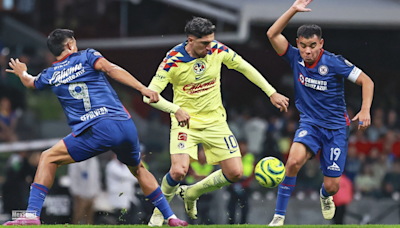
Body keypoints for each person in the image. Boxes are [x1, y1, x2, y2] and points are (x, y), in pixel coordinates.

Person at [3, 28, 187, 226]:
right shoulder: (88, 56)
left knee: (48, 157)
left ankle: (32, 215)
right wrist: (143, 88)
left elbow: (30, 83)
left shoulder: (50, 74)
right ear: (70, 45)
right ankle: (171, 217)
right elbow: (111, 69)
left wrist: (22, 72)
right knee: (139, 169)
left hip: (96, 130)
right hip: (124, 125)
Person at [143, 17, 289, 226]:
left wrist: (271, 92)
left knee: (236, 172)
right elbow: (148, 95)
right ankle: (160, 212)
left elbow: (245, 68)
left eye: (212, 41)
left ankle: (192, 192)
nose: (210, 46)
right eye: (205, 43)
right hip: (186, 123)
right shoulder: (173, 60)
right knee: (178, 170)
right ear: (191, 40)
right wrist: (176, 110)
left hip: (215, 122)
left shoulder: (217, 50)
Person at [266, 0, 374, 226]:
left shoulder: (334, 63)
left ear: (321, 43)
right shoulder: (294, 57)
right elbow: (272, 33)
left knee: (333, 185)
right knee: (293, 161)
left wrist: (365, 110)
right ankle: (278, 216)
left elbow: (367, 81)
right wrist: (293, 10)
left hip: (336, 129)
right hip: (310, 124)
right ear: (298, 43)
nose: (307, 50)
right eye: (303, 45)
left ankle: (325, 196)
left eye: (312, 45)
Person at [226, 140, 254, 224]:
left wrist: (245, 183)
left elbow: (253, 171)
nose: (242, 148)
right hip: (234, 183)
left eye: (243, 146)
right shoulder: (233, 156)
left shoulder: (250, 156)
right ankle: (231, 223)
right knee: (231, 207)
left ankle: (243, 223)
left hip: (245, 184)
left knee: (245, 207)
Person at [68, 157, 101, 224]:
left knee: (89, 218)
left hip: (92, 194)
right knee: (78, 217)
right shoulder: (75, 160)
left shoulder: (94, 160)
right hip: (80, 195)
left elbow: (97, 177)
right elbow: (73, 178)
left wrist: (96, 192)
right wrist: (76, 193)